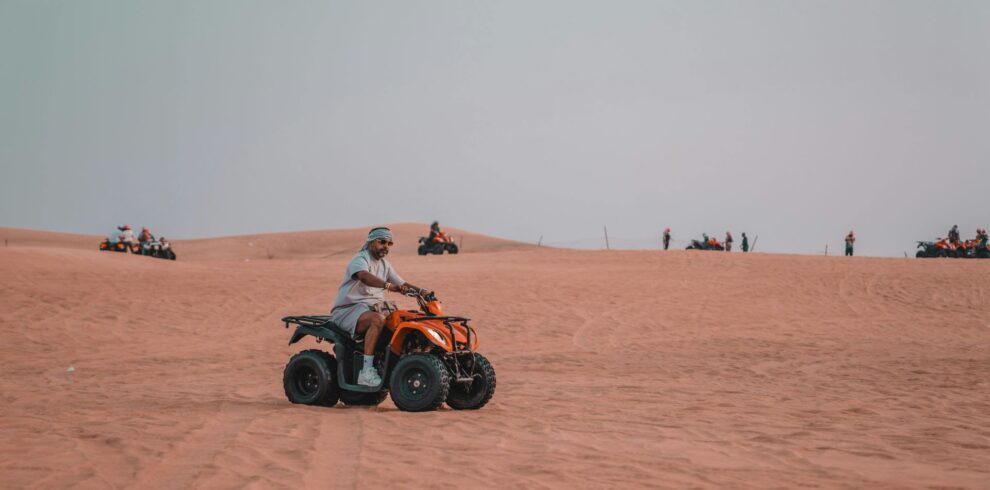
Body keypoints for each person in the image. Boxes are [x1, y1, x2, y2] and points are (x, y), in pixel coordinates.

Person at [330, 227, 430, 386]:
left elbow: (402, 284)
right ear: (371, 242)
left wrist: (424, 292)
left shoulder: (385, 265)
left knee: (404, 319)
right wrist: (388, 286)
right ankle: (366, 371)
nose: (386, 246)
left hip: (371, 308)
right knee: (377, 320)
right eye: (382, 242)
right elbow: (364, 276)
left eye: (389, 243)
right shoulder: (360, 259)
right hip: (348, 310)